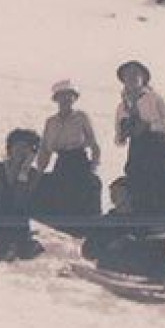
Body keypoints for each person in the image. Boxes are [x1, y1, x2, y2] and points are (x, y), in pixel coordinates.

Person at [115, 60, 165, 227]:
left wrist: (150, 126)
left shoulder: (153, 98)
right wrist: (124, 133)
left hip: (158, 151)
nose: (132, 78)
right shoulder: (122, 106)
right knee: (142, 193)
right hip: (137, 153)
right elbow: (118, 140)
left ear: (144, 78)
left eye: (136, 74)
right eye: (127, 75)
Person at [33, 80, 102, 233]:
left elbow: (94, 144)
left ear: (74, 99)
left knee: (85, 191)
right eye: (62, 97)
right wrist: (39, 171)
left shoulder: (81, 117)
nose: (66, 100)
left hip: (79, 161)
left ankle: (85, 229)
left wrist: (94, 166)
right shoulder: (51, 122)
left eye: (69, 97)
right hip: (62, 161)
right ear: (56, 99)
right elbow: (45, 149)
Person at [82, 177, 165, 279]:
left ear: (130, 195)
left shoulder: (144, 221)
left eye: (119, 192)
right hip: (109, 273)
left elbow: (157, 250)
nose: (114, 197)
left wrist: (131, 243)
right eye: (112, 193)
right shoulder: (105, 222)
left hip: (139, 275)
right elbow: (87, 251)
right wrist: (109, 247)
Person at [0, 128, 44, 261]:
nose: (21, 150)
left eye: (27, 147)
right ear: (10, 148)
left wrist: (23, 172)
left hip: (19, 230)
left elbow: (20, 202)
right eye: (17, 146)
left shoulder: (33, 175)